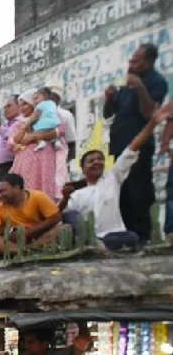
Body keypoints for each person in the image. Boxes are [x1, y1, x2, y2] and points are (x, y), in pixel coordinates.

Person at [60, 102, 172, 249]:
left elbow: (133, 147)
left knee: (131, 237)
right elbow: (61, 215)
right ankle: (92, 242)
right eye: (91, 161)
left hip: (114, 236)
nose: (96, 162)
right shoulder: (77, 194)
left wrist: (152, 123)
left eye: (100, 159)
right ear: (83, 169)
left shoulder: (112, 178)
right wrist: (65, 198)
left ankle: (99, 245)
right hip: (92, 238)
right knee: (70, 215)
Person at [104, 44, 169, 241]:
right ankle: (126, 237)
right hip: (118, 146)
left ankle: (143, 237)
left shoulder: (157, 82)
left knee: (139, 191)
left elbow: (149, 113)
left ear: (149, 61)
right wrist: (108, 98)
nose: (131, 64)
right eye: (130, 60)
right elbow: (109, 114)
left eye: (136, 61)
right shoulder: (125, 82)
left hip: (139, 146)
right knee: (120, 193)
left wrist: (140, 87)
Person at [0, 173, 60, 257]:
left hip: (40, 235)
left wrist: (29, 232)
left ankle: (31, 249)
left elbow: (55, 218)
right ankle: (26, 252)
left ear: (16, 187)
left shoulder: (38, 196)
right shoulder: (0, 209)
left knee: (61, 228)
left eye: (2, 191)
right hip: (18, 241)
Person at [9, 92, 63, 199]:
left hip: (44, 157)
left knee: (44, 188)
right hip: (24, 161)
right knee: (26, 190)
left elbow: (59, 131)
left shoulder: (49, 116)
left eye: (25, 104)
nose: (22, 108)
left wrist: (33, 137)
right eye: (20, 105)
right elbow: (17, 141)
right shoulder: (18, 123)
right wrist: (29, 124)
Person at [0, 97, 23, 185]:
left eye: (9, 106)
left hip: (7, 166)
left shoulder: (21, 122)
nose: (5, 109)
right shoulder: (7, 125)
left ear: (20, 106)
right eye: (4, 107)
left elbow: (14, 139)